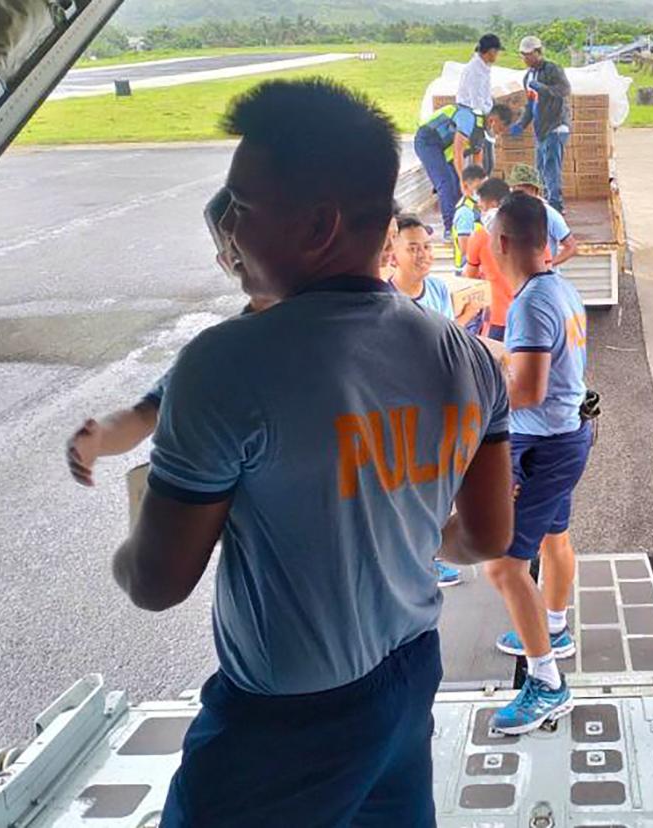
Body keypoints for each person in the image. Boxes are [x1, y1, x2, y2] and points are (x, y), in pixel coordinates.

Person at [112, 78, 515, 825]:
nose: (225, 227)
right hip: (408, 675)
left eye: (240, 206)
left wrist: (131, 529)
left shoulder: (226, 366)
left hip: (285, 723)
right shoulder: (467, 358)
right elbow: (488, 537)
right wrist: (396, 526)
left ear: (319, 225)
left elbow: (158, 582)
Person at [67, 189, 274, 488]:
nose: (244, 250)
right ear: (225, 264)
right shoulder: (216, 353)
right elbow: (145, 415)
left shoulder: (331, 326)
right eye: (236, 255)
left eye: (259, 241)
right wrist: (100, 439)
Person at [484, 192, 592, 735]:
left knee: (503, 565)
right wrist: (500, 353)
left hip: (541, 448)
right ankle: (555, 627)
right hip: (567, 435)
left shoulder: (528, 302)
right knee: (555, 538)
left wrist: (475, 392)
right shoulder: (560, 287)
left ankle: (547, 681)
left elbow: (525, 391)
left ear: (503, 243)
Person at [414, 101, 514, 232]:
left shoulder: (482, 134)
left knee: (456, 187)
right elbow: (458, 152)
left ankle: (460, 222)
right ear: (492, 120)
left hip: (444, 149)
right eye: (500, 129)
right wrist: (464, 180)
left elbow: (478, 164)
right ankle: (450, 228)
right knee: (446, 184)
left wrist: (481, 188)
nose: (499, 134)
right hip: (428, 141)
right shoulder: (468, 120)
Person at [390, 213, 485, 330]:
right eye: (413, 249)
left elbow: (447, 335)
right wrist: (467, 315)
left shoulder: (438, 288)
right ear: (393, 257)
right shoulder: (387, 300)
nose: (423, 255)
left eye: (427, 247)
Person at [511, 36, 573, 214]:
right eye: (523, 55)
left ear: (539, 52)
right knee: (540, 168)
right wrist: (521, 124)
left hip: (556, 126)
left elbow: (564, 90)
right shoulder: (527, 77)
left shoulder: (552, 69)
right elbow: (531, 106)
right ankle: (544, 203)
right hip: (541, 130)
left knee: (551, 168)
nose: (525, 59)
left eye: (529, 55)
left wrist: (544, 89)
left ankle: (556, 206)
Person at [464, 177, 523, 342]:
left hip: (498, 317)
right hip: (526, 315)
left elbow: (469, 279)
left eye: (482, 206)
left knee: (494, 362)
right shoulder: (529, 232)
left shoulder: (480, 236)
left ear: (493, 204)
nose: (481, 210)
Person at [507, 163, 579, 265]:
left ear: (534, 190)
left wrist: (549, 265)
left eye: (521, 191)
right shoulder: (510, 213)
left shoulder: (550, 215)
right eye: (514, 190)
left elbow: (571, 247)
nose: (517, 196)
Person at [458, 34, 502, 174]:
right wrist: (490, 118)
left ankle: (482, 189)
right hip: (474, 118)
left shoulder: (484, 67)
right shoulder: (474, 71)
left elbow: (485, 95)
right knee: (482, 161)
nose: (497, 56)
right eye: (497, 52)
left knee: (488, 161)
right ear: (490, 52)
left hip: (483, 116)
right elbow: (476, 102)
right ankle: (477, 192)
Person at [453, 164, 488, 274]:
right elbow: (466, 249)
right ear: (466, 186)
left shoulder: (477, 207)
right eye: (478, 188)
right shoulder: (465, 212)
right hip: (467, 271)